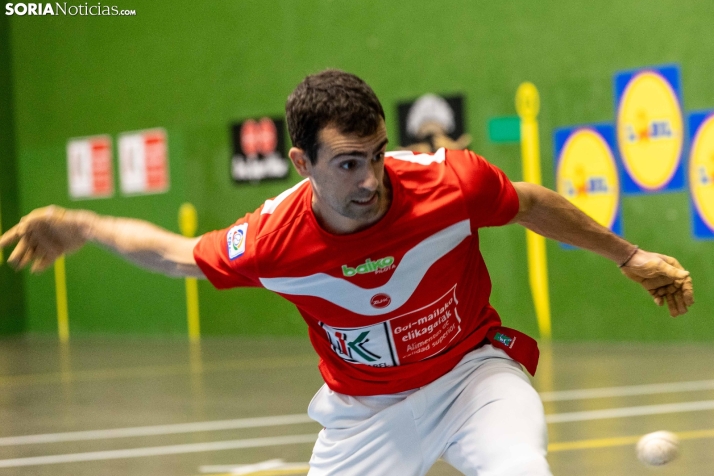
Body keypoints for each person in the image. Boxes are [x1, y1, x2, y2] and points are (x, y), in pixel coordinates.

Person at [0, 70, 694, 475]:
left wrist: (628, 255)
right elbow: (175, 253)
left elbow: (531, 204)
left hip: (473, 376)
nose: (370, 180)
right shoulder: (274, 240)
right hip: (367, 414)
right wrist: (83, 225)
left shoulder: (448, 184)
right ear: (302, 165)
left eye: (376, 155)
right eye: (347, 164)